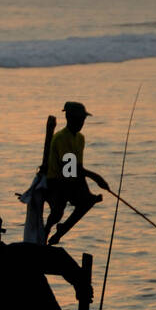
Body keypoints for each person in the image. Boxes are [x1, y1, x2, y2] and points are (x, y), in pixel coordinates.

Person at [43, 101, 109, 245]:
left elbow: (78, 168)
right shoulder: (61, 138)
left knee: (87, 201)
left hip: (71, 178)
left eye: (83, 119)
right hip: (56, 180)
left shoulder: (80, 139)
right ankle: (47, 230)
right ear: (69, 118)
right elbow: (69, 168)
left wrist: (88, 190)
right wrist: (96, 178)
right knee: (58, 211)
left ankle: (61, 231)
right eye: (79, 119)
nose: (81, 122)